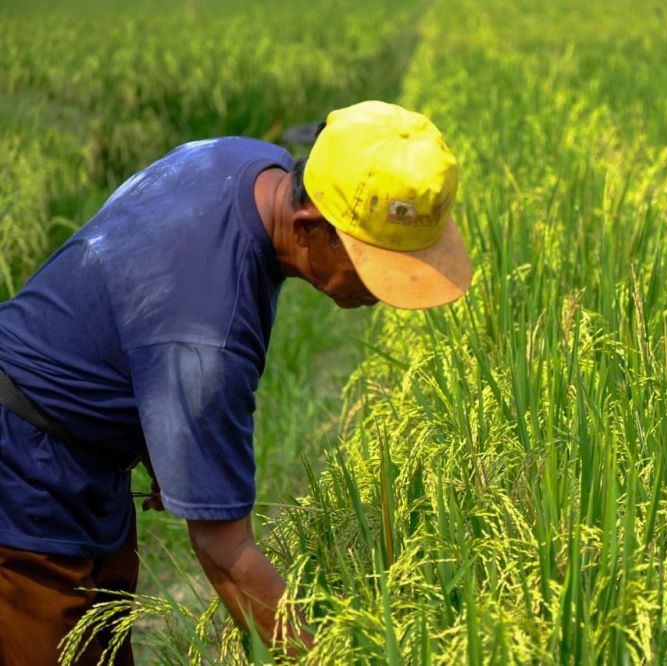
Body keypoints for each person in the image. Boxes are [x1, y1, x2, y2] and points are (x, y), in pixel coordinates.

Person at [0, 100, 471, 664]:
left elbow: (129, 286)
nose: (379, 295)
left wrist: (159, 433)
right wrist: (323, 656)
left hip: (81, 451)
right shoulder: (207, 334)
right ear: (310, 226)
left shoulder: (248, 162)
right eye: (374, 269)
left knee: (103, 642)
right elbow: (224, 550)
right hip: (23, 470)